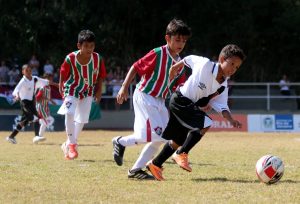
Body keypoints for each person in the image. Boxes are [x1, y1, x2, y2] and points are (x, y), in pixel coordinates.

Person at [146, 44, 246, 181]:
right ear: (222, 59)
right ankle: (181, 153)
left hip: (187, 105)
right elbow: (189, 59)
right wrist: (175, 67)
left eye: (237, 67)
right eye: (232, 64)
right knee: (206, 123)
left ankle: (155, 164)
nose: (233, 69)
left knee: (177, 140)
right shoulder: (205, 64)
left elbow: (222, 107)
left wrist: (231, 120)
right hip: (180, 100)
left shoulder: (223, 85)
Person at [112, 18, 191, 179]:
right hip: (145, 96)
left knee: (163, 138)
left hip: (160, 102)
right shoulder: (158, 53)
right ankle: (120, 142)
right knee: (149, 136)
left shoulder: (181, 64)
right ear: (167, 38)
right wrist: (124, 86)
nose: (181, 44)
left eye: (184, 40)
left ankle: (135, 170)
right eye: (177, 40)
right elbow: (136, 66)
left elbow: (180, 88)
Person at [58, 30, 106, 160]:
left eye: (92, 46)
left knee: (82, 120)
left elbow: (101, 76)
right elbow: (63, 72)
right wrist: (61, 84)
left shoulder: (98, 58)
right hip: (72, 88)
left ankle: (67, 144)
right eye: (86, 46)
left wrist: (99, 91)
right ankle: (73, 145)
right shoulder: (70, 58)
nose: (89, 49)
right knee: (69, 112)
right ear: (79, 46)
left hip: (88, 90)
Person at [6, 64, 50, 144]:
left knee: (24, 122)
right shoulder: (22, 81)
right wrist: (17, 96)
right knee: (35, 118)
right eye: (27, 71)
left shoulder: (35, 79)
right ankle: (36, 136)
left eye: (30, 70)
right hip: (24, 104)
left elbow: (46, 82)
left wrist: (58, 85)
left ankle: (11, 137)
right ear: (23, 72)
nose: (29, 72)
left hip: (31, 103)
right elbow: (16, 90)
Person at [34, 73, 58, 144]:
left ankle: (38, 137)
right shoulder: (43, 87)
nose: (50, 81)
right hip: (41, 107)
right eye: (49, 79)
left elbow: (48, 97)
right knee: (45, 122)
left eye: (51, 79)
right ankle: (38, 137)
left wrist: (51, 101)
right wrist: (44, 98)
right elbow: (37, 97)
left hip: (45, 107)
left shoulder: (48, 87)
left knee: (45, 122)